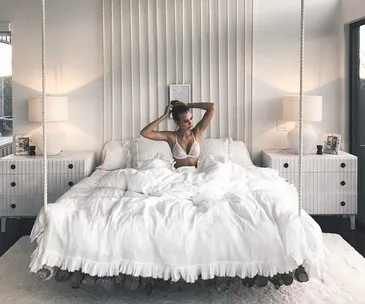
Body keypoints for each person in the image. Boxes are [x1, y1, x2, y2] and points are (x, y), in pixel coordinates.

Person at [140, 100, 215, 168]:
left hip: (196, 174)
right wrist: (164, 116)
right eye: (186, 121)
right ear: (177, 122)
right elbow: (144, 133)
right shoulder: (171, 137)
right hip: (178, 176)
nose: (190, 123)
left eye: (191, 118)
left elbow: (211, 107)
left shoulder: (197, 132)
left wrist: (187, 105)